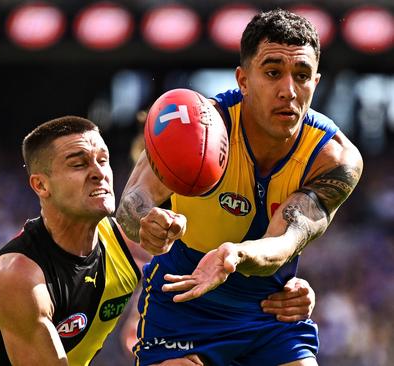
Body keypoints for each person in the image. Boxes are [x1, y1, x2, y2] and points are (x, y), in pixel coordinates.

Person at [116, 9, 363, 366]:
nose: (289, 91)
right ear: (243, 79)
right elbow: (130, 206)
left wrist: (234, 255)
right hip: (182, 305)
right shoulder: (198, 128)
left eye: (302, 75)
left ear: (316, 82)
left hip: (268, 312)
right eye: (273, 73)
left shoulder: (334, 158)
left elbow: (286, 241)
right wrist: (147, 223)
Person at [0, 116, 318, 366]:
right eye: (78, 163)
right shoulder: (19, 276)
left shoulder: (124, 244)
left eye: (103, 160)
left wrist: (287, 290)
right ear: (40, 185)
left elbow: (207, 273)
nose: (98, 172)